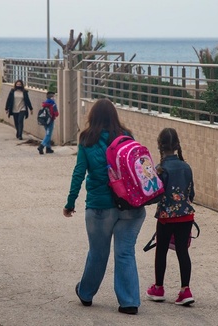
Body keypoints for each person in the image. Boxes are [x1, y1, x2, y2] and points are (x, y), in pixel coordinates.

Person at [63, 98, 146, 315]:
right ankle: (129, 302)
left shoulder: (87, 139)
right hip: (131, 208)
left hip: (100, 207)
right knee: (125, 253)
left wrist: (70, 203)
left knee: (98, 253)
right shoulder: (126, 136)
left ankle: (86, 293)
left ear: (93, 116)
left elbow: (79, 172)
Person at [146, 127, 196, 306]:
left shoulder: (160, 169)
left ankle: (158, 288)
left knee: (161, 250)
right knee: (183, 251)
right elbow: (191, 195)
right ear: (177, 145)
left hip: (166, 217)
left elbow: (155, 195)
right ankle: (185, 290)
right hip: (186, 217)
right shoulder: (186, 167)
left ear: (160, 145)